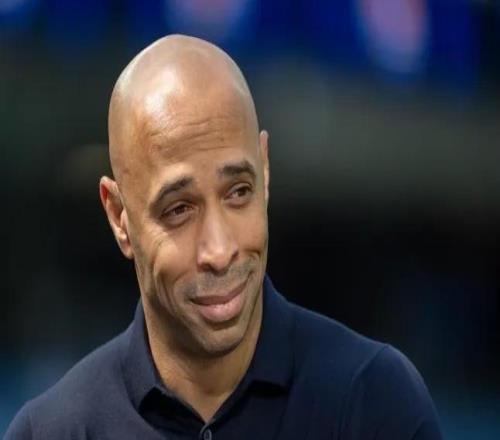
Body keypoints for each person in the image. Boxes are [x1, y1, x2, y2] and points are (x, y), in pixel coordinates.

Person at [5, 35, 442, 439]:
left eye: (238, 193)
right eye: (179, 210)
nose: (219, 250)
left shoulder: (375, 403)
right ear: (119, 216)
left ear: (265, 172)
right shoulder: (52, 432)